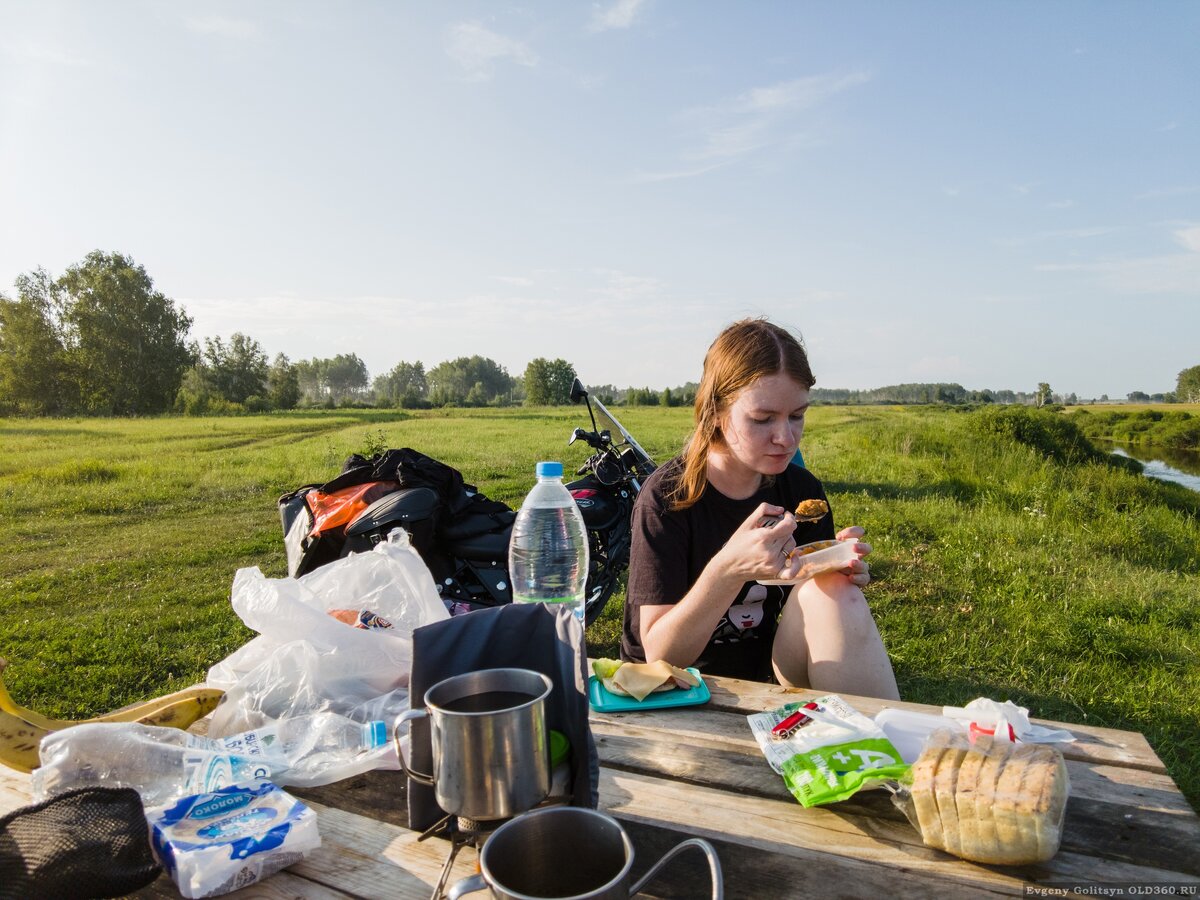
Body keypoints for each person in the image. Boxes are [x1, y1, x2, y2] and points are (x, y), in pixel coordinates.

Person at [621, 318, 900, 699]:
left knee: (835, 591)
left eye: (797, 415)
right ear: (715, 412)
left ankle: (881, 750)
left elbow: (811, 600)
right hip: (670, 689)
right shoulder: (668, 498)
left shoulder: (801, 490)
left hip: (765, 674)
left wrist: (834, 566)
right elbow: (660, 657)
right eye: (762, 418)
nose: (785, 438)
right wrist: (728, 568)